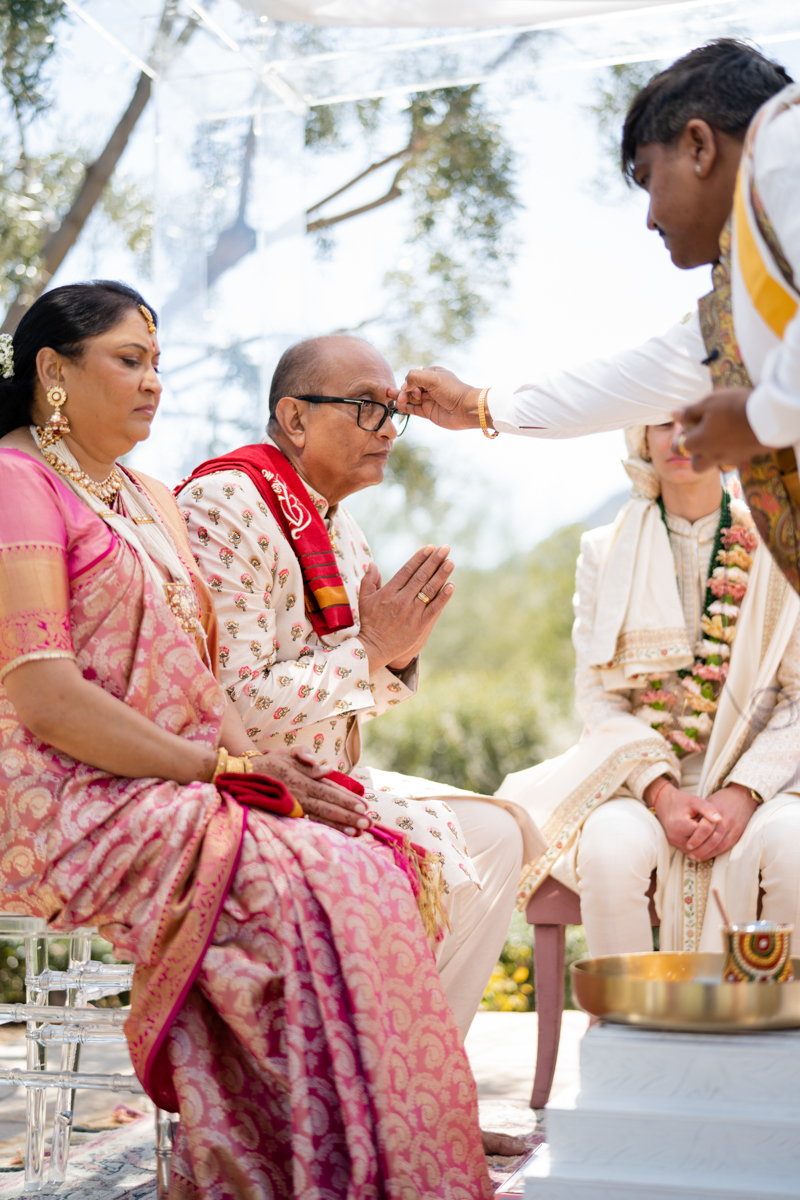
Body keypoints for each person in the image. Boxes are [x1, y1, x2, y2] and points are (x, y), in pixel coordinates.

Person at [0, 282, 496, 1198]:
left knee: (360, 864)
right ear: (51, 372)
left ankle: (361, 1156)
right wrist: (221, 768)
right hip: (68, 787)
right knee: (300, 886)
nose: (154, 382)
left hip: (175, 777)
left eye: (158, 363)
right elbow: (44, 699)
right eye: (128, 360)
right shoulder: (14, 482)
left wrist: (253, 771)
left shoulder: (148, 496)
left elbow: (199, 674)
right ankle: (266, 1167)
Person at [176, 334, 544, 1050]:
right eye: (365, 408)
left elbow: (367, 690)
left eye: (390, 411)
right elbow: (235, 701)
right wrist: (374, 651)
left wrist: (397, 656)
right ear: (294, 416)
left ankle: (423, 1089)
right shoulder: (226, 503)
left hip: (332, 783)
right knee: (462, 843)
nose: (386, 430)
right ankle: (380, 1097)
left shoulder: (342, 527)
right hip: (250, 789)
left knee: (498, 835)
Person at [389, 41, 800, 591]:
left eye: (650, 178)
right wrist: (476, 405)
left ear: (700, 146)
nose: (650, 220)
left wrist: (755, 418)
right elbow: (619, 386)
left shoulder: (782, 143)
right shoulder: (738, 308)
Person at [501, 421, 800, 954]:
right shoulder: (603, 550)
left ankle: (771, 1026)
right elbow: (599, 698)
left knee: (793, 845)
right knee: (610, 849)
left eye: (698, 419)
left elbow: (798, 695)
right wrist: (660, 793)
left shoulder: (782, 542)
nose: (681, 437)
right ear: (642, 438)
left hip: (765, 779)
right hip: (639, 778)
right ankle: (630, 1028)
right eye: (664, 423)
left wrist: (744, 791)